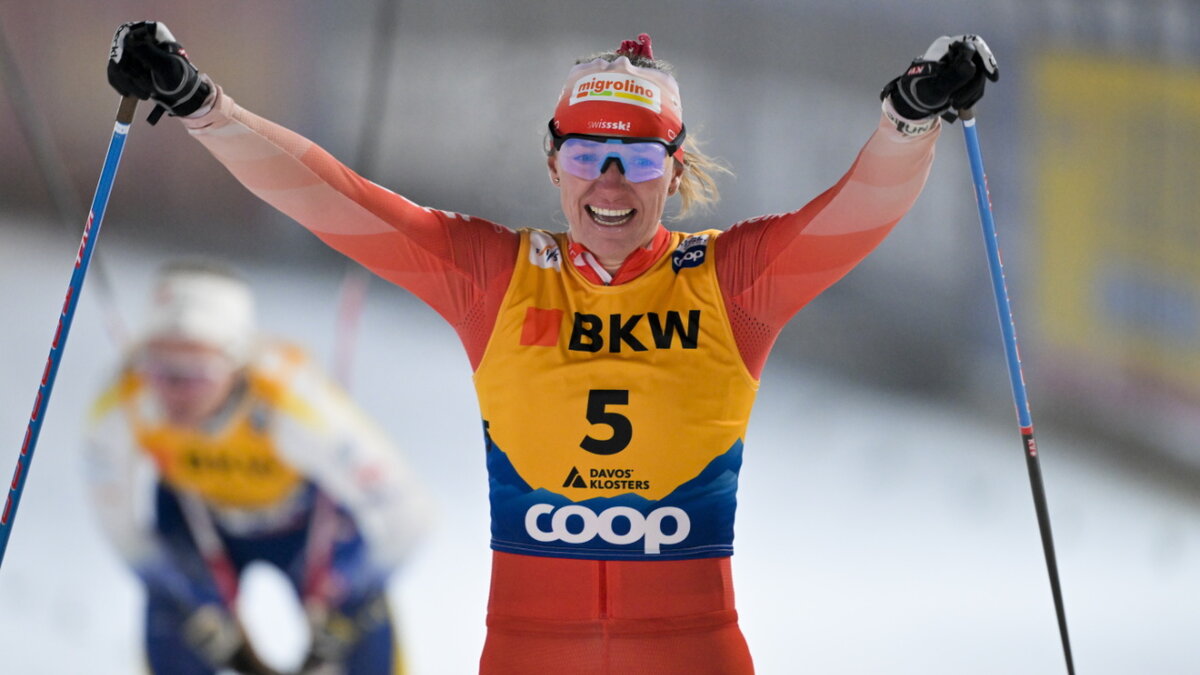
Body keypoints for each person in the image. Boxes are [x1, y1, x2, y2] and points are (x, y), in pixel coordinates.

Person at [106, 22, 997, 674]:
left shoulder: (732, 283)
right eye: (586, 157)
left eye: (638, 161)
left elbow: (856, 212)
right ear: (552, 161)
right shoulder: (494, 277)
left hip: (691, 648)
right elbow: (331, 196)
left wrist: (908, 119)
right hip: (529, 648)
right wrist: (201, 104)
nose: (610, 185)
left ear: (675, 168)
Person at [85, 259, 433, 675]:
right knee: (175, 623)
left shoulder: (293, 406)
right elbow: (120, 527)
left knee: (365, 637)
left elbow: (410, 512)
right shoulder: (126, 401)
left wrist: (355, 594)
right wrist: (177, 587)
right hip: (195, 516)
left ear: (236, 365)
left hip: (306, 522)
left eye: (197, 375)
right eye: (159, 370)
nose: (175, 394)